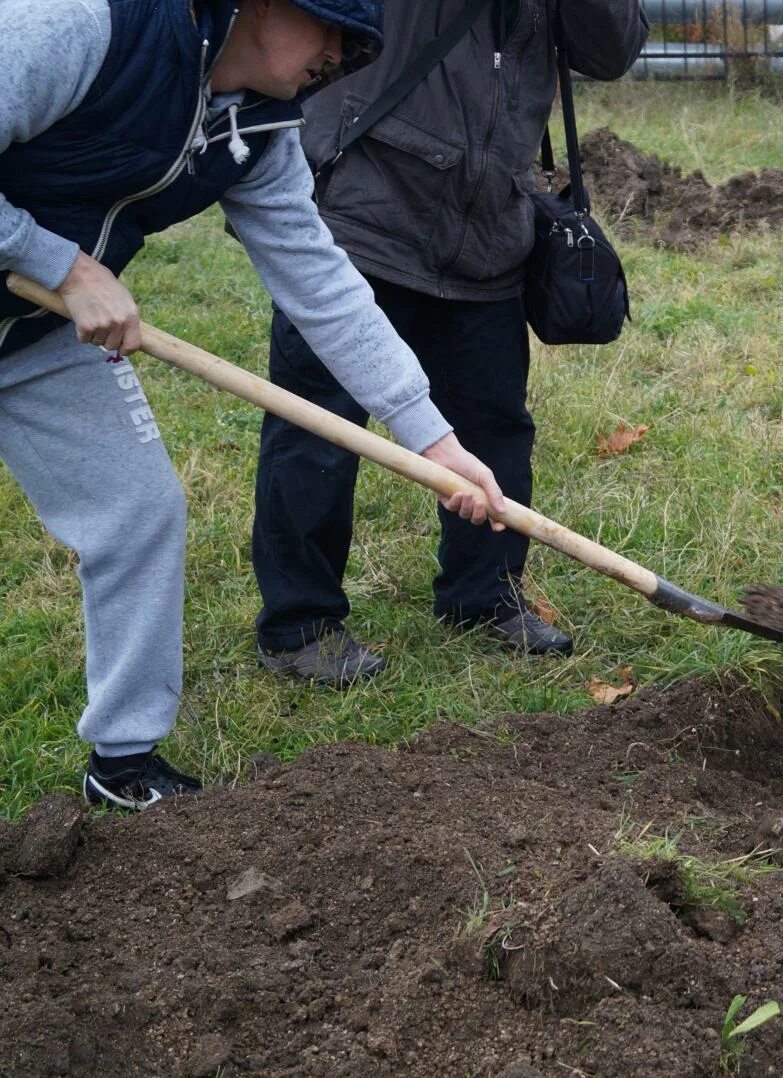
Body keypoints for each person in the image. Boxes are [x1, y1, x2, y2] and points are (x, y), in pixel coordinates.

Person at [0, 0, 507, 809]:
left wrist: (431, 441)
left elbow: (321, 281)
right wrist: (56, 263)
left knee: (139, 509)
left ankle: (124, 764)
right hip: (50, 290)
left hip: (32, 332)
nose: (341, 59)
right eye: (334, 31)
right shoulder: (92, 27)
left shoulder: (262, 130)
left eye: (358, 47)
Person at [251, 0, 650, 685]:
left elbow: (610, 51)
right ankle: (301, 624)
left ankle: (484, 596)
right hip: (369, 211)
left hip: (489, 225)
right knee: (317, 429)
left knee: (495, 426)